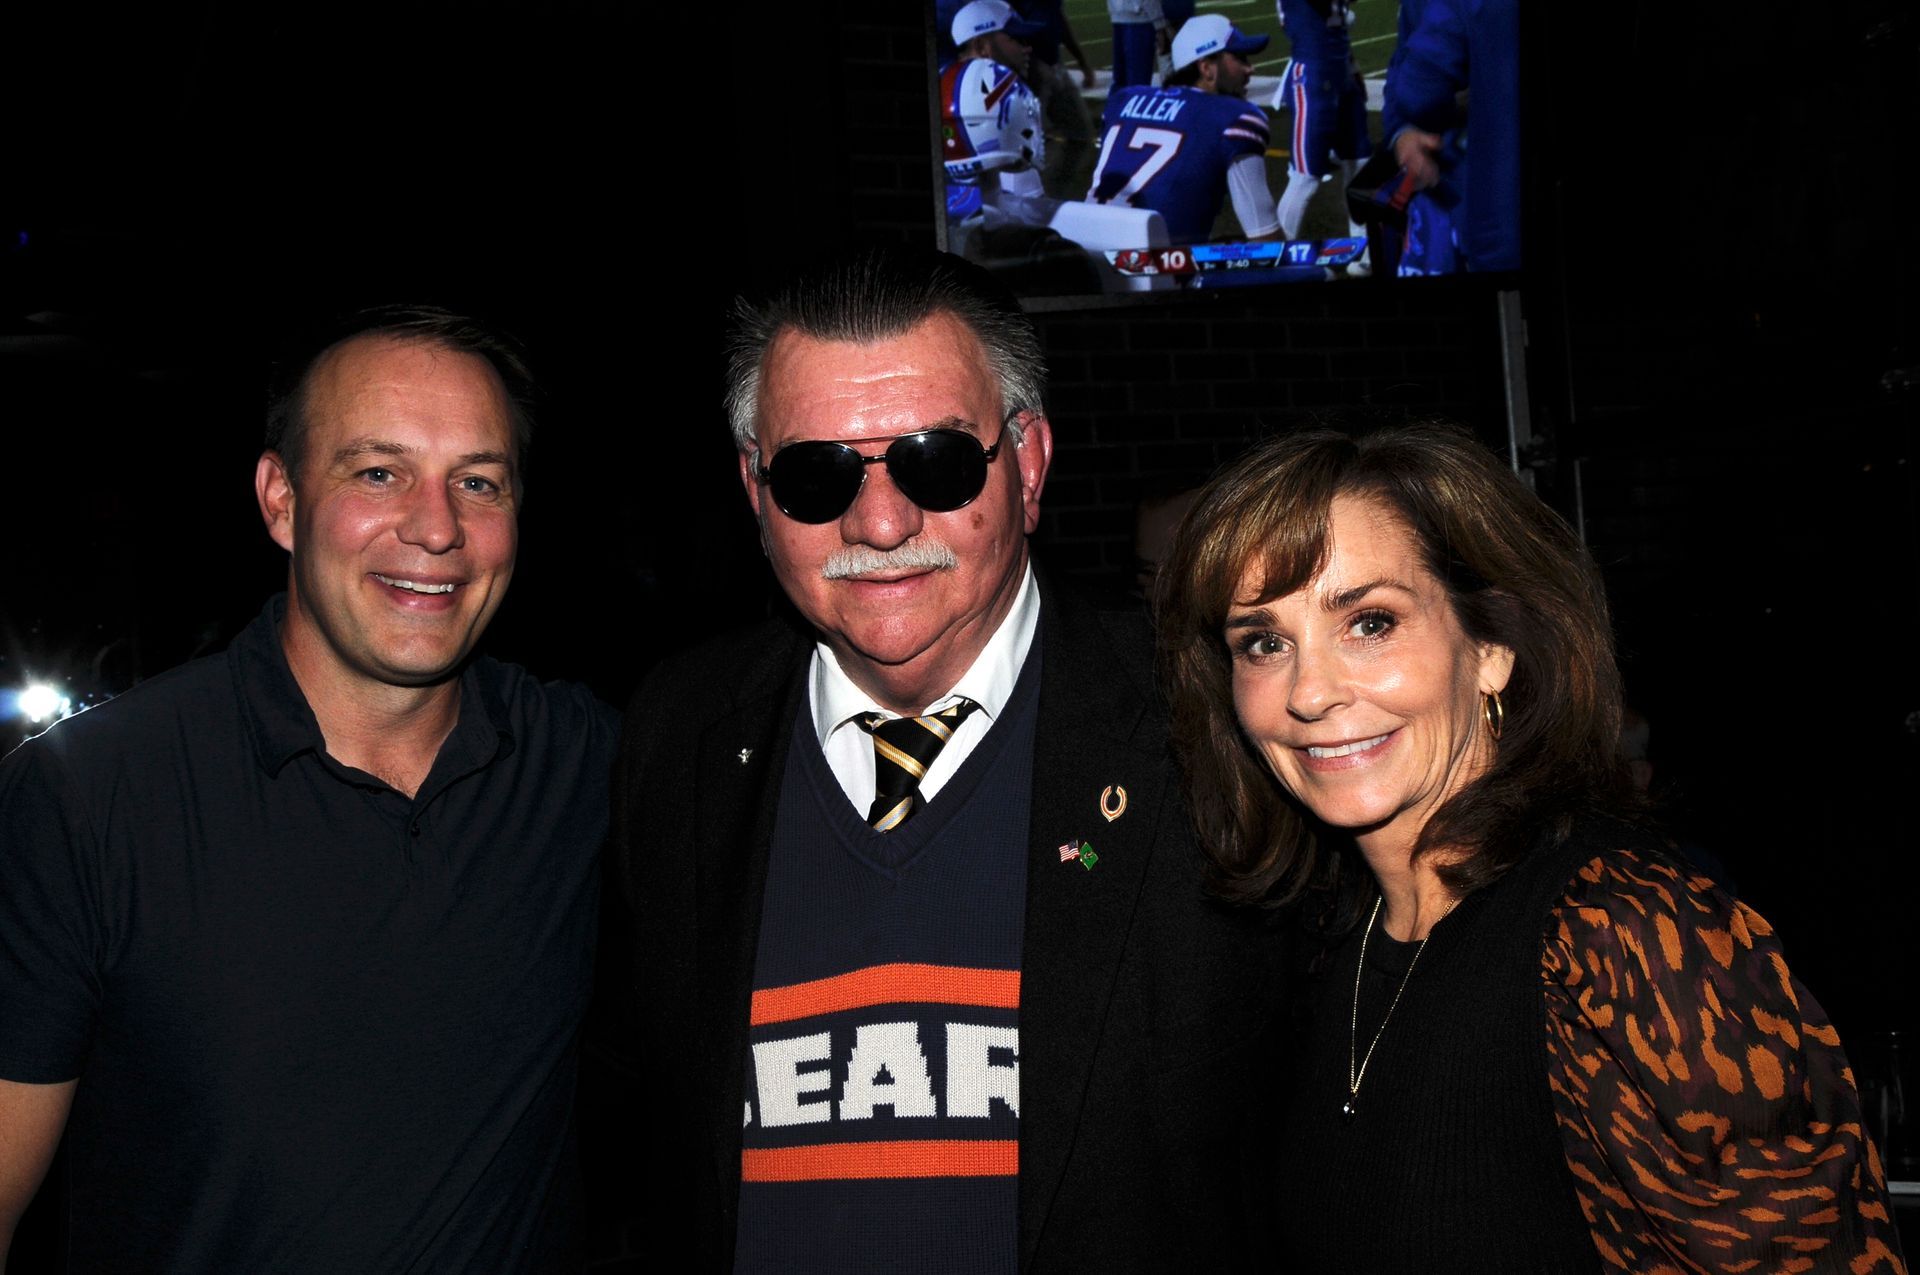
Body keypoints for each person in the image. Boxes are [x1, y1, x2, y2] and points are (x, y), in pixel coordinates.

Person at [611, 245, 1283, 1273]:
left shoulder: (1211, 727)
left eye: (936, 461)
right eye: (817, 474)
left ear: (1030, 463)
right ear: (754, 488)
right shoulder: (677, 739)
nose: (881, 523)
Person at [1157, 425, 1908, 1272]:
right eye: (1264, 641)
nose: (1310, 692)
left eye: (1369, 622)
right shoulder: (1337, 933)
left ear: (1492, 645)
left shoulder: (1620, 933)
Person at [0, 307, 619, 1271]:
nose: (437, 527)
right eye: (378, 473)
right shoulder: (92, 795)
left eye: (478, 482)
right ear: (280, 500)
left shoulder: (584, 763)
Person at [1086, 14, 1282, 245]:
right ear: (1207, 68)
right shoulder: (1232, 116)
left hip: (1088, 247)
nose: (1250, 69)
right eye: (1240, 58)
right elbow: (1265, 237)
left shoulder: (1124, 100)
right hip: (1159, 261)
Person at [1272, 0, 1372, 242]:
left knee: (1359, 161)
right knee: (1306, 176)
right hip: (1312, 73)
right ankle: (1277, 255)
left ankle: (1362, 249)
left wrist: (1353, 66)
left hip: (1341, 67)